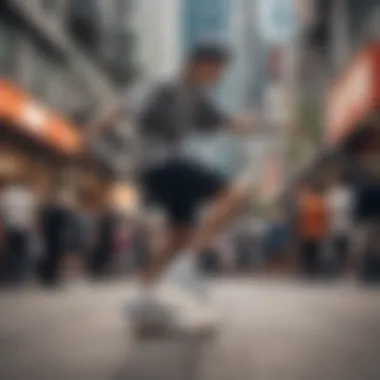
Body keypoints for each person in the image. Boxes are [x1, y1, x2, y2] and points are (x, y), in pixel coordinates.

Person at [89, 43, 254, 330]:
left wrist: (276, 125)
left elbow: (230, 124)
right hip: (159, 164)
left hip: (165, 168)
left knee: (179, 234)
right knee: (238, 195)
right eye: (217, 68)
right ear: (199, 63)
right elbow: (123, 105)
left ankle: (140, 297)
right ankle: (187, 264)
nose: (220, 75)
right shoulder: (164, 84)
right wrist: (91, 131)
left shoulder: (198, 98)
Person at [0, 179, 37, 286]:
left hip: (10, 228)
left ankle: (10, 274)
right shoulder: (28, 196)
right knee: (22, 252)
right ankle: (20, 274)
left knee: (10, 252)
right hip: (23, 228)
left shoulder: (6, 195)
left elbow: (2, 212)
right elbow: (32, 213)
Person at [297, 182, 329, 277]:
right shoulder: (317, 201)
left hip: (311, 231)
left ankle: (310, 269)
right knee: (311, 252)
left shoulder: (311, 202)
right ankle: (310, 269)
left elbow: (303, 216)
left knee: (311, 252)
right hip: (312, 231)